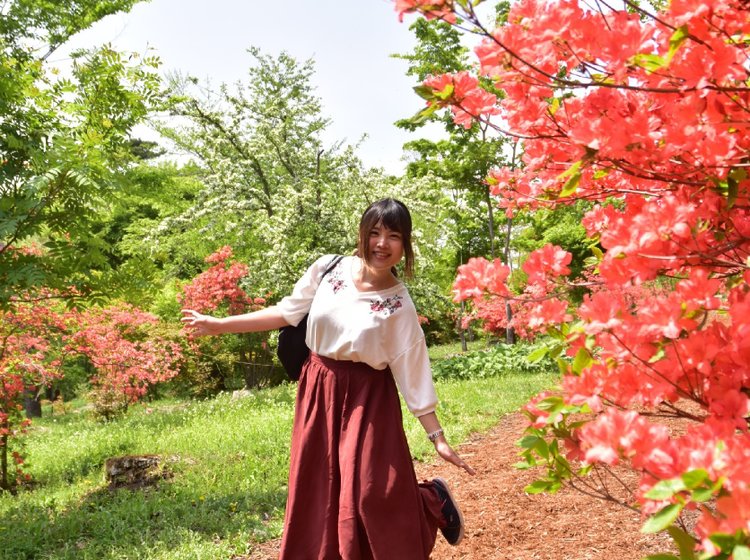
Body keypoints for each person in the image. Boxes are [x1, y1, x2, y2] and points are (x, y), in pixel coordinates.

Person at [182, 198, 475, 559]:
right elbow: (286, 313)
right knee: (319, 487)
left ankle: (432, 500)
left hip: (369, 396)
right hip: (319, 387)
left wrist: (438, 438)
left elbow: (412, 369)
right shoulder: (328, 268)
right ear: (362, 234)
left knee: (370, 490)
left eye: (394, 236)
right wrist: (217, 325)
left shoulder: (399, 304)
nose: (382, 244)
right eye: (375, 233)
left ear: (405, 245)